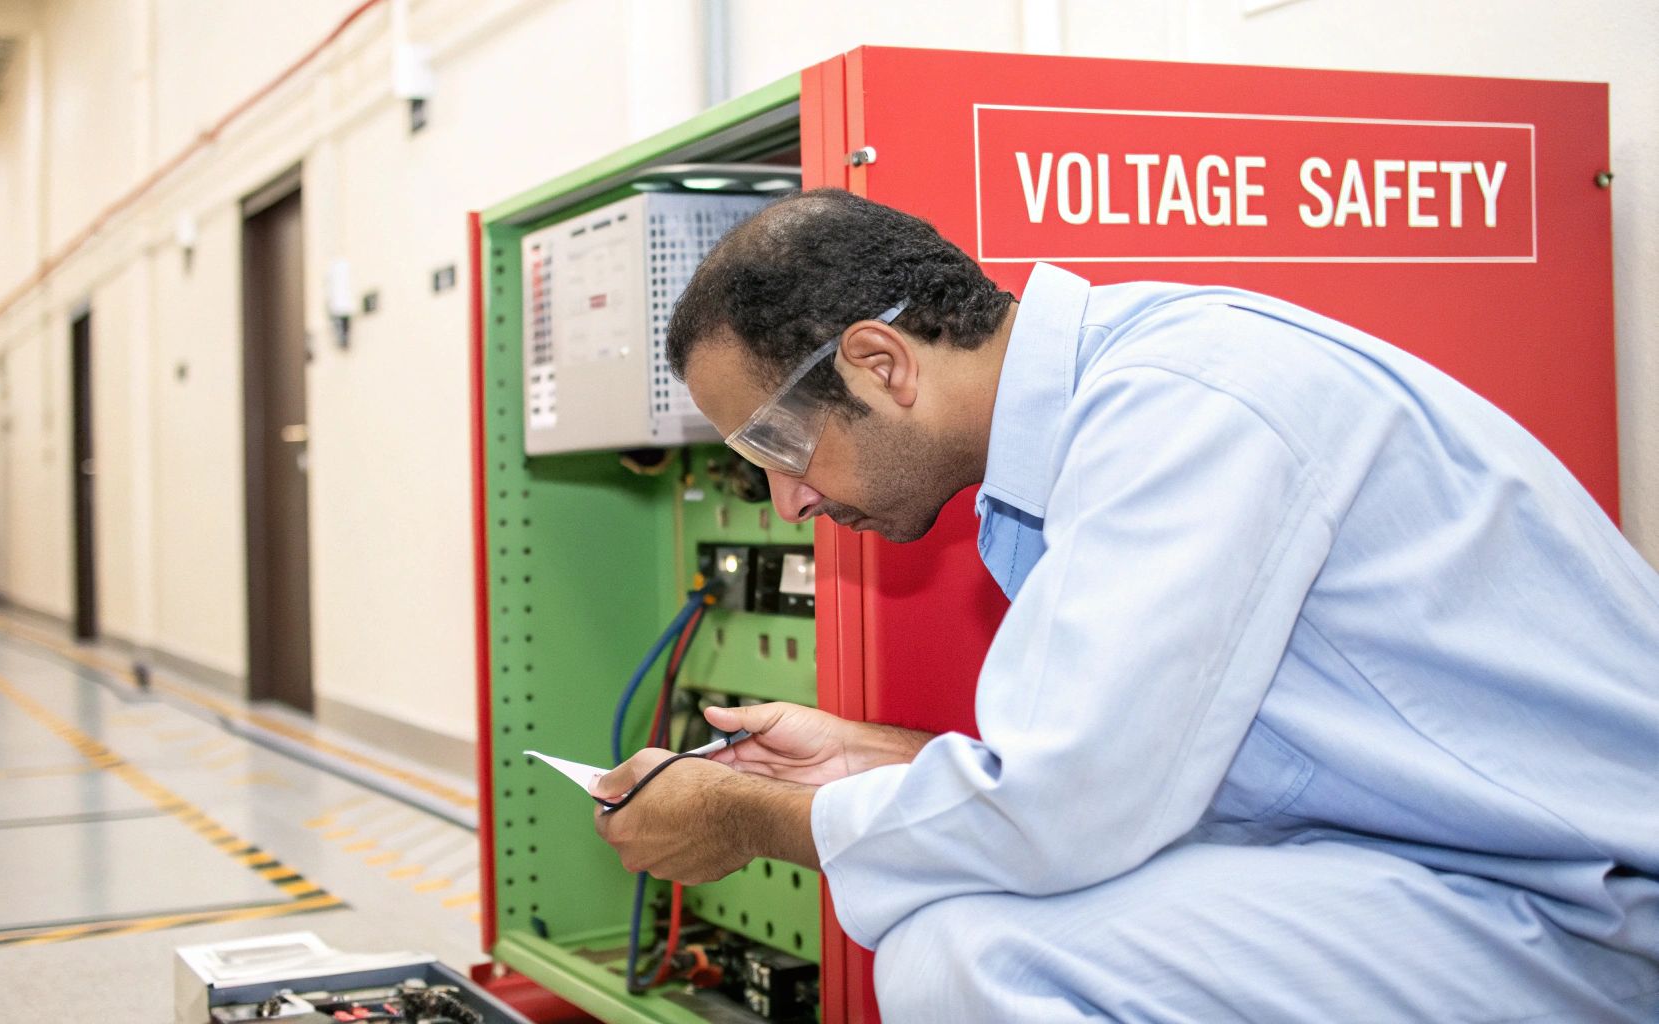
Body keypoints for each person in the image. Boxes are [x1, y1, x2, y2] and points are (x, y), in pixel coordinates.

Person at [590, 188, 1659, 1021]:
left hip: (1582, 909)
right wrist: (861, 757)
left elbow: (1066, 805)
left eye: (776, 445)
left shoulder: (1180, 408)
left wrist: (747, 816)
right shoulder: (1101, 414)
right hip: (1436, 865)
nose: (788, 501)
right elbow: (1135, 766)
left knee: (974, 955)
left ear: (878, 362)